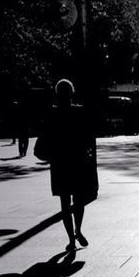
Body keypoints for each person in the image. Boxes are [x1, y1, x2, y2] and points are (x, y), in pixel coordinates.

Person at [35, 78, 98, 249]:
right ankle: (78, 229)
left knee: (64, 202)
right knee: (78, 200)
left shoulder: (51, 114)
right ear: (72, 92)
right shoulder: (80, 113)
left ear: (57, 93)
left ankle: (71, 239)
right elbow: (88, 139)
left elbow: (44, 137)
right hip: (77, 162)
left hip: (59, 163)